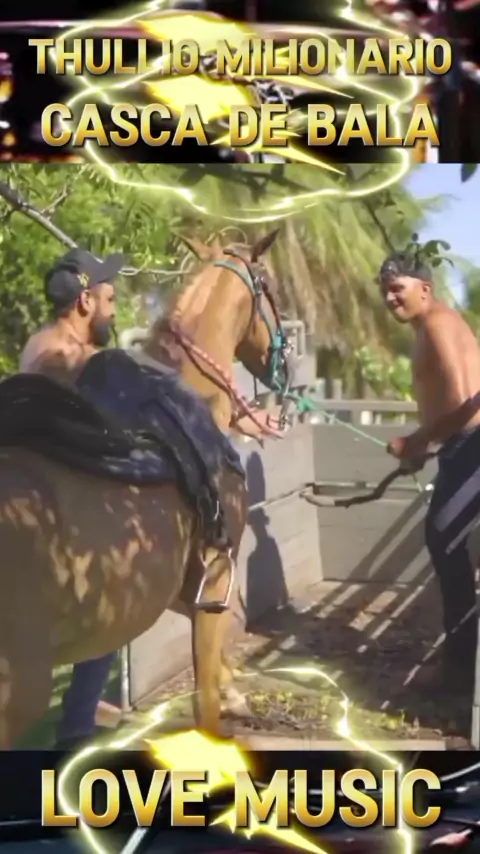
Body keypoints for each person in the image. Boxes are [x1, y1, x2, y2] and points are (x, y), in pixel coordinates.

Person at [19, 246, 124, 750]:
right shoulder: (75, 360)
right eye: (109, 299)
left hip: (38, 501)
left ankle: (82, 711)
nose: (113, 310)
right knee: (114, 602)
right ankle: (78, 723)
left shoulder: (37, 344)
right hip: (54, 514)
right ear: (85, 302)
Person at [379, 251, 480, 691]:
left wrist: (415, 442)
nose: (389, 298)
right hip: (460, 446)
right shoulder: (428, 327)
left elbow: (466, 404)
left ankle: (460, 664)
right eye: (384, 291)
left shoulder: (438, 324)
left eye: (396, 288)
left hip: (473, 446)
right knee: (443, 540)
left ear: (424, 288)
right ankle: (461, 654)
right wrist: (427, 444)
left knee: (444, 538)